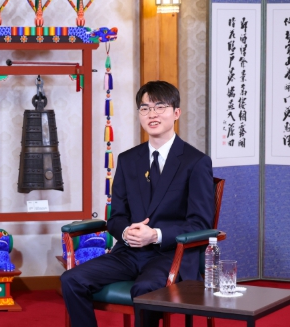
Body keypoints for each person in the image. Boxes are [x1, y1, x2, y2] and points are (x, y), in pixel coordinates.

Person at [60, 80, 215, 327]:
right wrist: (125, 232)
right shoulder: (128, 160)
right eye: (145, 108)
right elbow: (116, 216)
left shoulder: (196, 162)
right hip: (129, 252)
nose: (152, 114)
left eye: (160, 107)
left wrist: (155, 235)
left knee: (145, 290)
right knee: (71, 279)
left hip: (171, 255)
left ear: (176, 113)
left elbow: (200, 223)